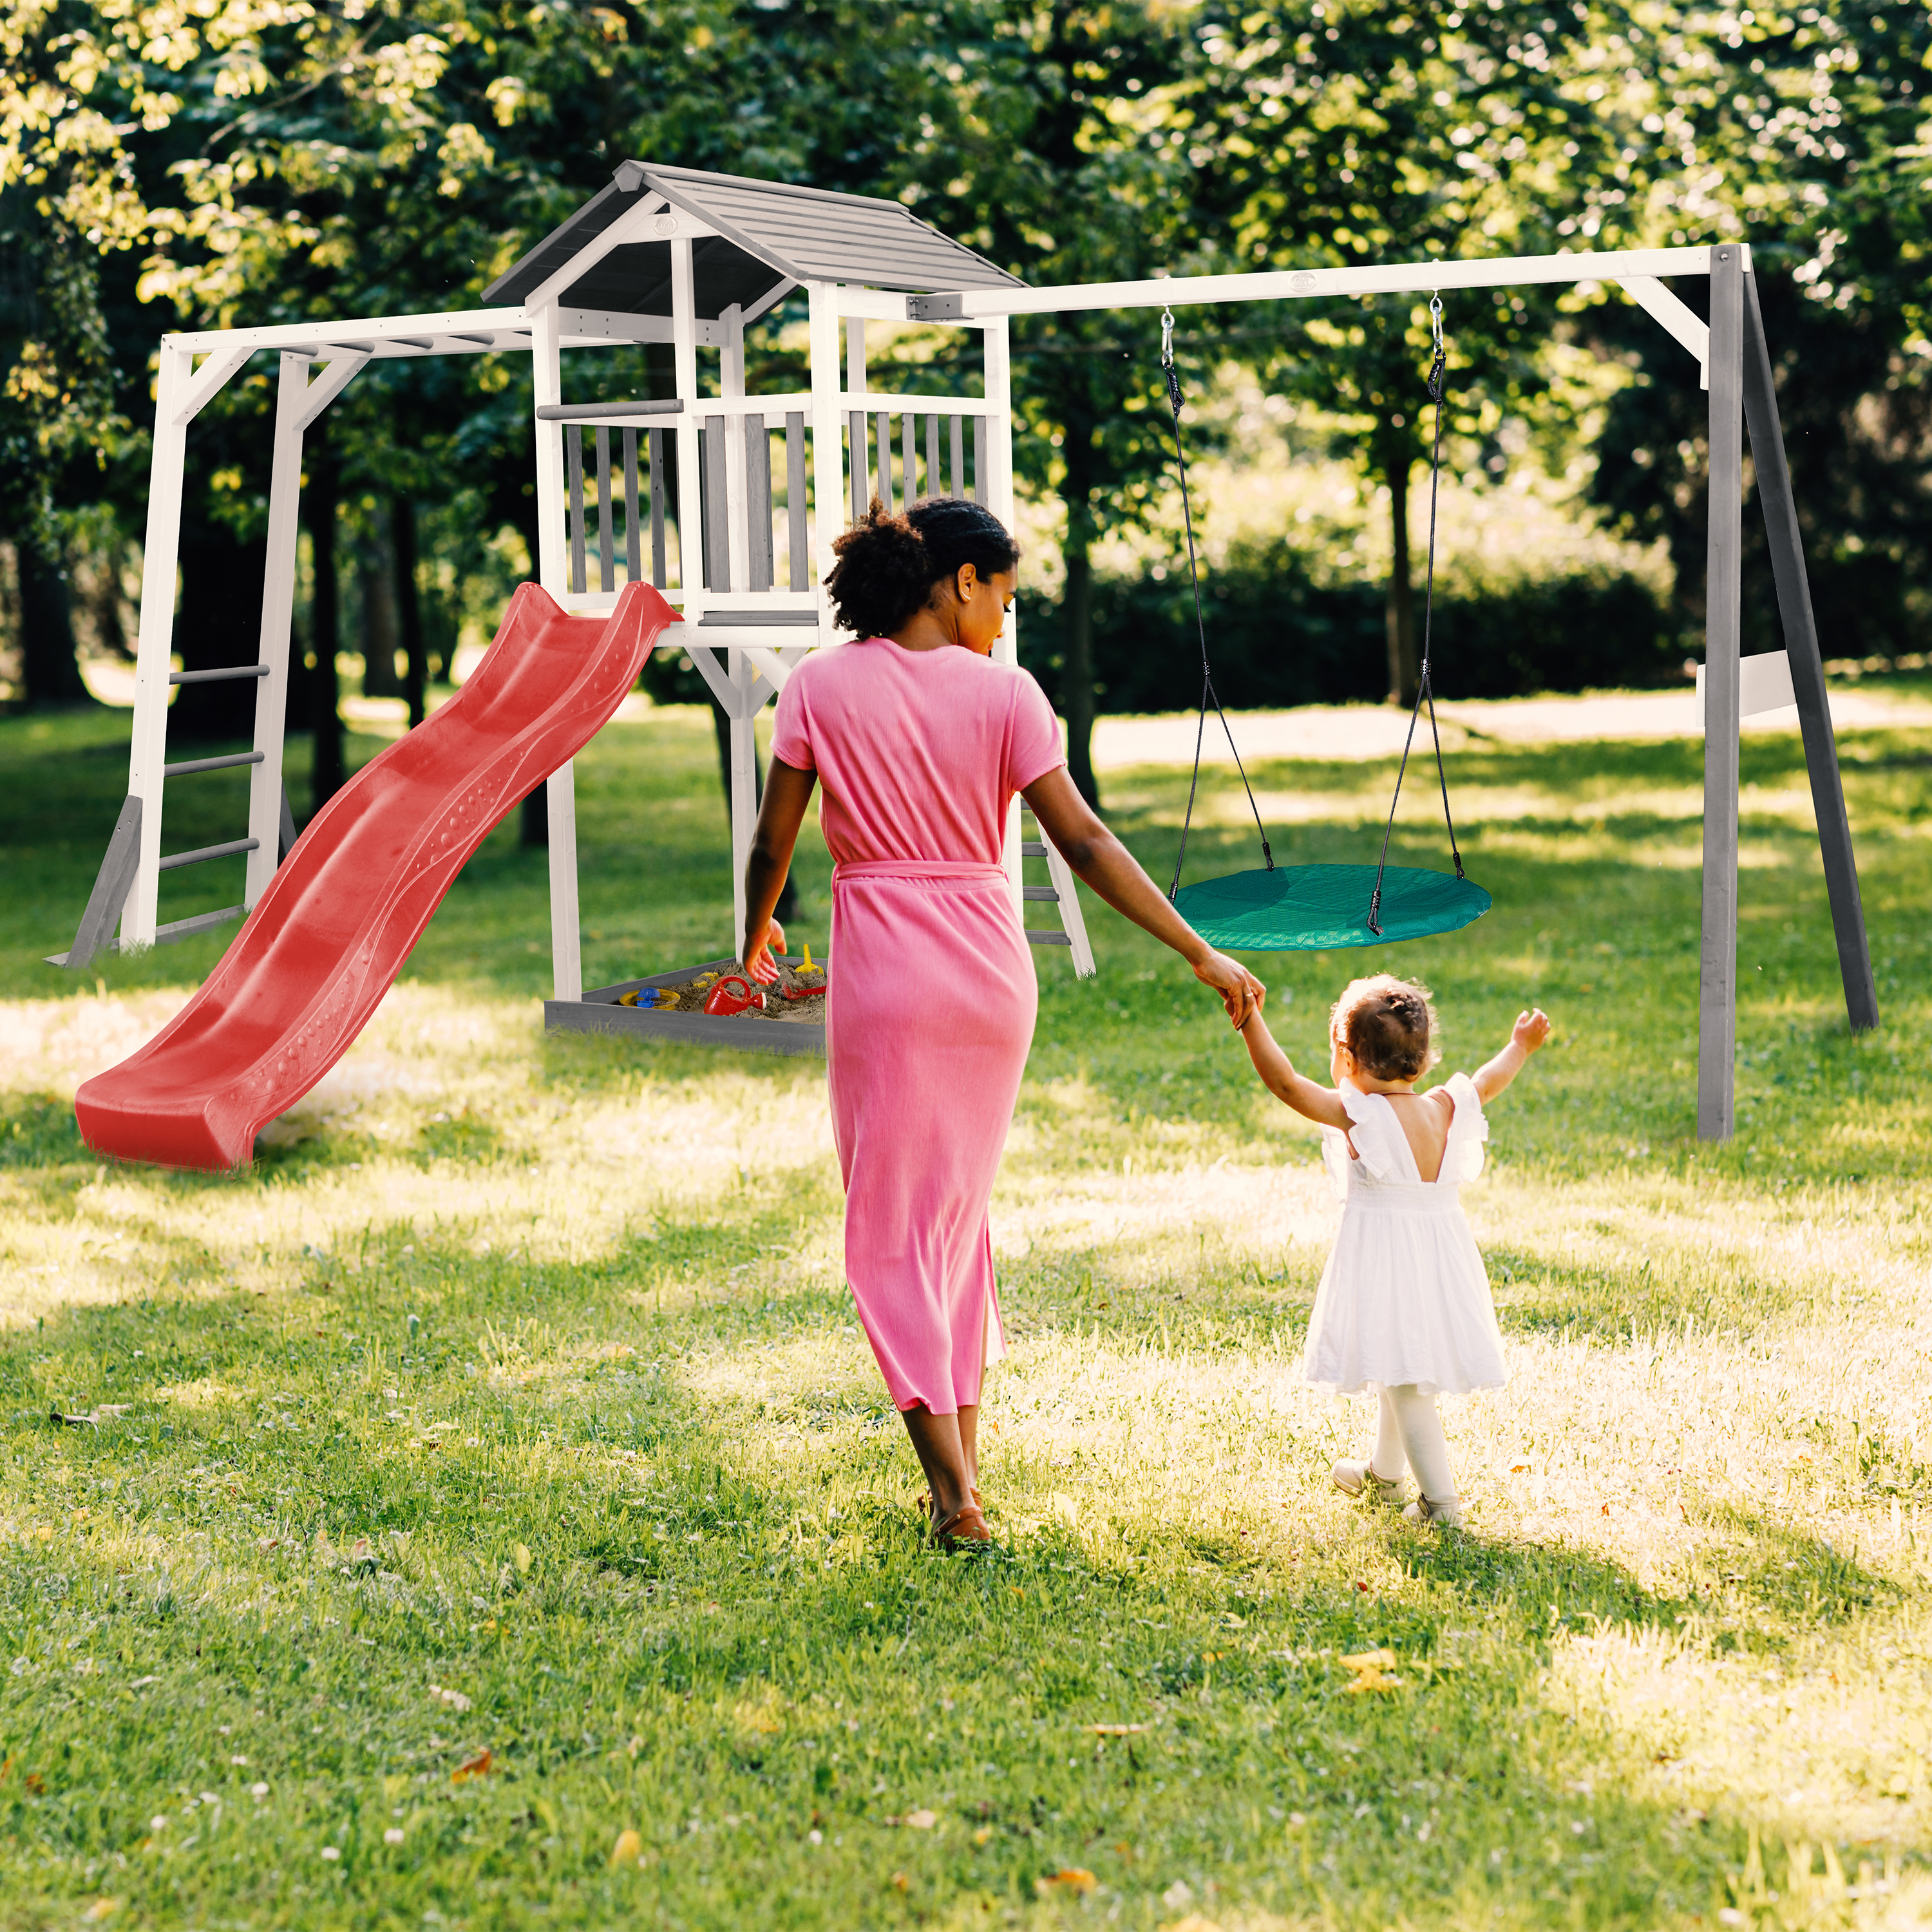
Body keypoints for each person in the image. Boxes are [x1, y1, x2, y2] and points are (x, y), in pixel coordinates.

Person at [741, 497, 1264, 1548]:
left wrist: (752, 937)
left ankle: (954, 1498)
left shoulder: (817, 687)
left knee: (891, 1233)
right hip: (990, 976)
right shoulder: (1009, 695)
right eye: (1005, 599)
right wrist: (1196, 948)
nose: (1004, 621)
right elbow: (1086, 843)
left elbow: (772, 843)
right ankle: (963, 1477)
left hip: (887, 977)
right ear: (961, 581)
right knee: (952, 1223)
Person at [1234, 974, 1551, 1527]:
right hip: (1439, 1262)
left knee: (1406, 1385)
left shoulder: (1361, 1115)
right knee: (1395, 1362)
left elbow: (1285, 1083)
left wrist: (1249, 1019)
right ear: (1422, 1061)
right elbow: (1488, 1080)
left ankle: (1441, 1505)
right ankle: (1384, 1475)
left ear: (1347, 1058)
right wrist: (1519, 1046)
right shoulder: (1444, 1107)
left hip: (1389, 1265)